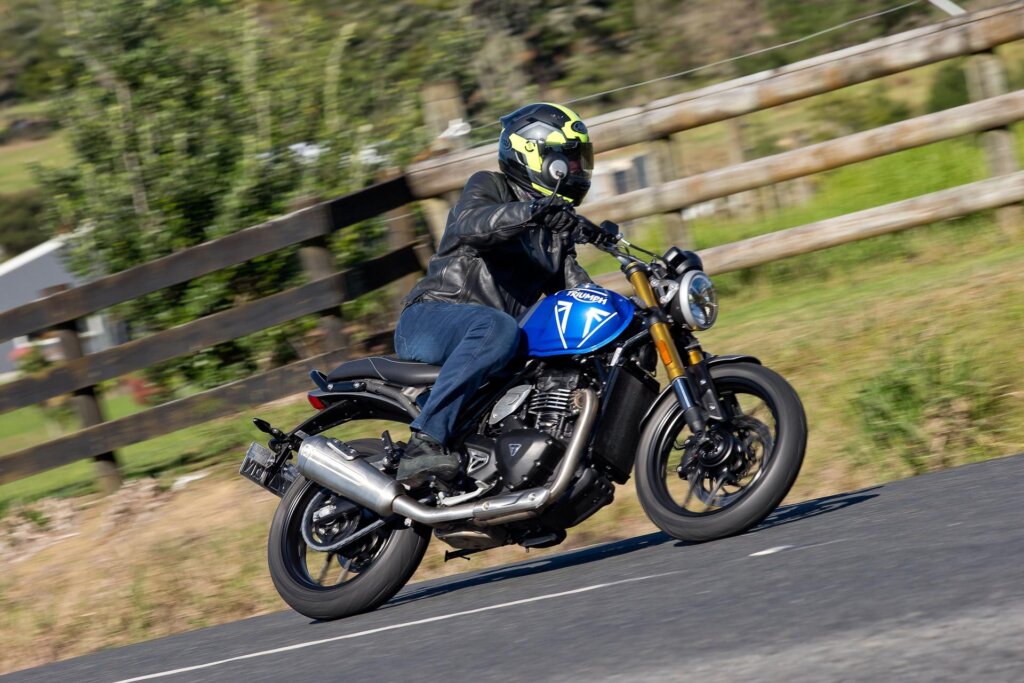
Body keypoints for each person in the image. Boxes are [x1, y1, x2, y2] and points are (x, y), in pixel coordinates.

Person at [394, 102, 596, 485]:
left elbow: (581, 294)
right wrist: (532, 211)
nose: (576, 169)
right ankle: (424, 443)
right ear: (538, 156)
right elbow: (472, 225)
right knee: (499, 328)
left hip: (491, 336)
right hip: (430, 318)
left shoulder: (555, 232)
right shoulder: (490, 186)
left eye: (579, 160)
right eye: (568, 160)